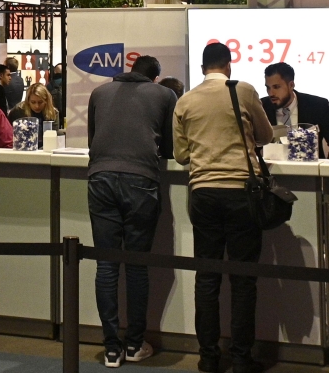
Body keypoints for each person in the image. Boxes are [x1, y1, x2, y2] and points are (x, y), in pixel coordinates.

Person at [173, 42, 273, 373]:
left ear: (202, 68)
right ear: (228, 65)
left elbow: (181, 155)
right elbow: (265, 135)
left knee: (207, 276)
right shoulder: (243, 91)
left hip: (203, 193)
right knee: (243, 279)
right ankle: (241, 358)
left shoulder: (185, 101)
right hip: (242, 192)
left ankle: (209, 357)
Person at [86, 55, 177, 367]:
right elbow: (169, 149)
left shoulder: (99, 92)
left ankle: (112, 349)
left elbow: (93, 141)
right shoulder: (165, 95)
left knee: (106, 265)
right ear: (154, 78)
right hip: (141, 180)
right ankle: (135, 344)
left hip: (100, 178)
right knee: (137, 266)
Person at [262, 62, 329, 159]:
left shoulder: (317, 105)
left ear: (291, 85)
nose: (271, 93)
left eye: (276, 87)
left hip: (311, 166)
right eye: (268, 88)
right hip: (272, 167)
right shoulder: (262, 107)